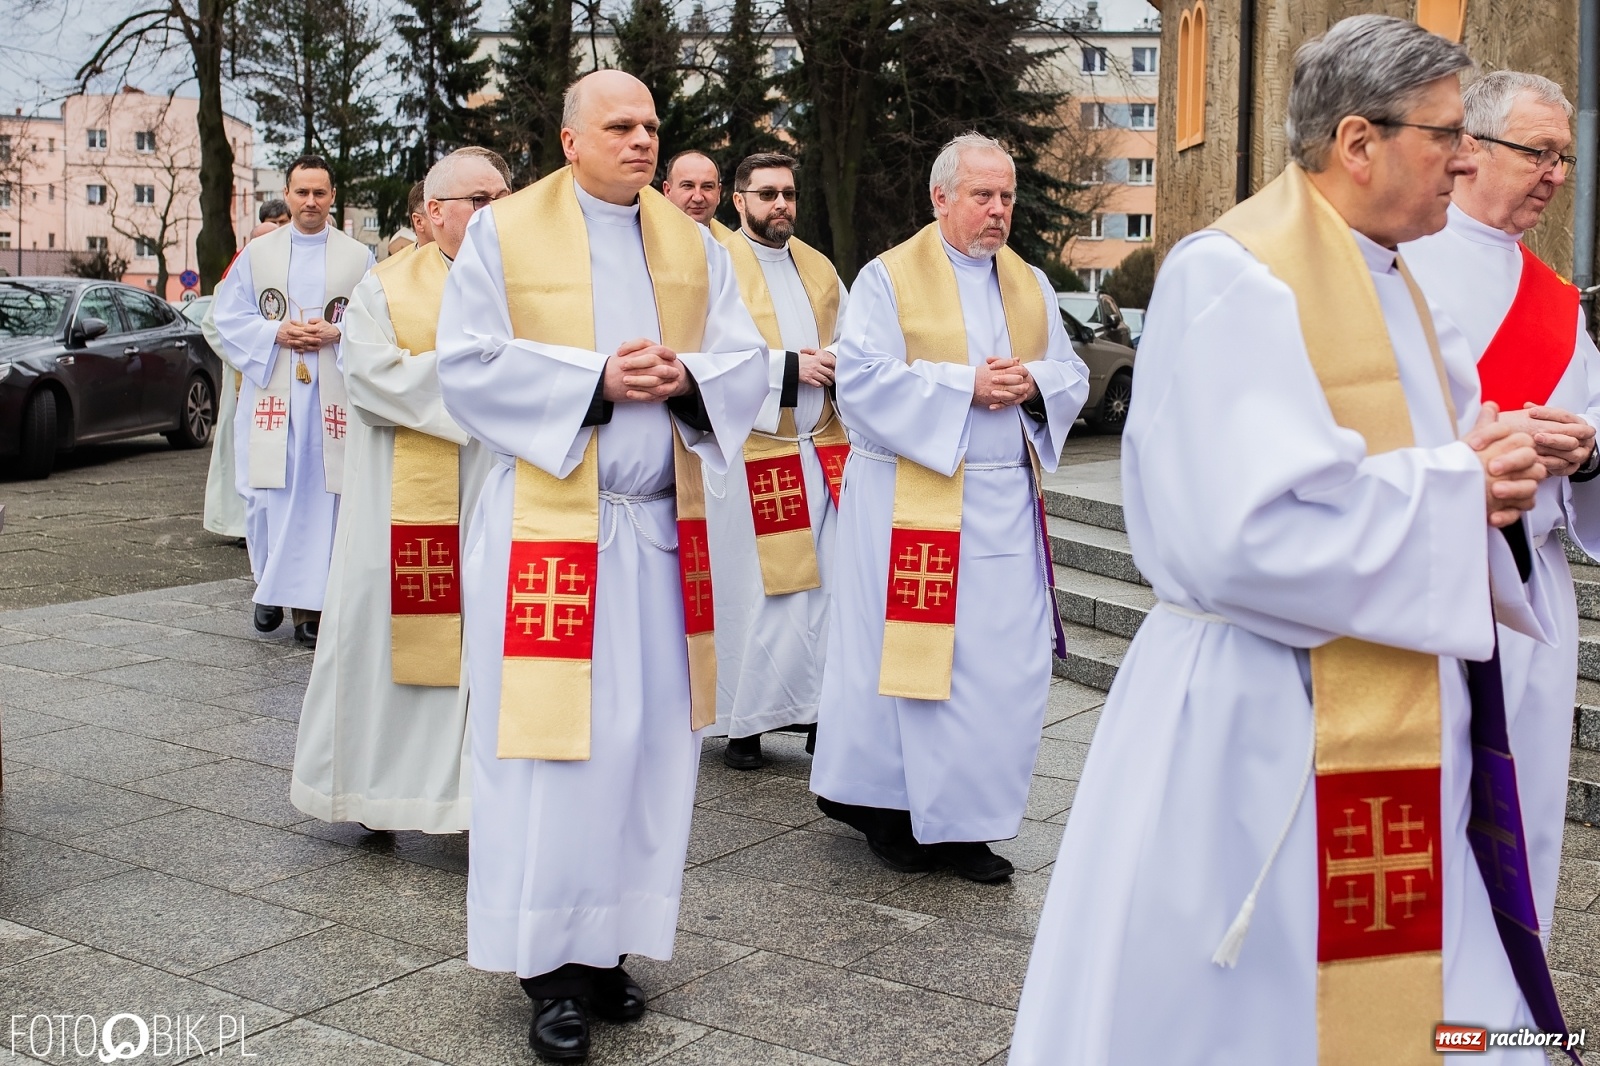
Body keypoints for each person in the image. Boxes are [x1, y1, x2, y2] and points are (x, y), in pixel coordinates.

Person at [1010, 18, 1562, 1065]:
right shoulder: (1236, 276)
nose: (1465, 157)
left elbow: (1406, 458)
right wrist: (1458, 484)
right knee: (1257, 1003)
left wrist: (1487, 454)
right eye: (1447, 134)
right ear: (1359, 142)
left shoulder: (1395, 274)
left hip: (1386, 694)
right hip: (1261, 719)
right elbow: (1237, 534)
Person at [435, 70, 768, 1063]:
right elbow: (466, 363)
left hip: (656, 534)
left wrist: (687, 375)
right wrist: (594, 378)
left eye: (652, 127)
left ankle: (609, 943)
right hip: (551, 528)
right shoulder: (506, 232)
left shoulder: (692, 241)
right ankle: (548, 970)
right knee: (555, 754)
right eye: (620, 126)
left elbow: (747, 358)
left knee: (642, 744)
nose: (642, 142)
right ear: (571, 140)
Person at [808, 132, 1089, 883]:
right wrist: (965, 384)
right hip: (910, 502)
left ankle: (966, 823)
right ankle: (896, 813)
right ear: (941, 198)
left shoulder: (1028, 281)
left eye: (1006, 196)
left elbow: (1071, 373)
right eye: (982, 196)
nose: (998, 211)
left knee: (1001, 668)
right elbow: (859, 381)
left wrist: (1033, 383)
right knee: (916, 667)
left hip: (1002, 503)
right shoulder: (888, 277)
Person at [1403, 70, 1600, 946]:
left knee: (1523, 818)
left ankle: (1501, 1015)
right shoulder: (1398, 266)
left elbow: (1593, 421)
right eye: (1538, 152)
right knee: (1425, 814)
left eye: (1565, 156)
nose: (1556, 174)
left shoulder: (1558, 302)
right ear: (1470, 146)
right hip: (1420, 580)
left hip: (1532, 591)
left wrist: (1589, 453)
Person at [291, 148, 509, 833]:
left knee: (484, 651)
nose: (496, 210)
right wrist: (486, 383)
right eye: (480, 199)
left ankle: (473, 803)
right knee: (387, 653)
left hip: (492, 496)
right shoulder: (385, 287)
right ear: (436, 213)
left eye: (504, 196)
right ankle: (374, 796)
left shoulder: (526, 285)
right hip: (400, 508)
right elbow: (371, 379)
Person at [701, 152, 849, 769]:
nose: (780, 205)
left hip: (821, 446)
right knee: (759, 595)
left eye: (788, 193)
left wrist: (839, 360)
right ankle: (744, 724)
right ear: (739, 202)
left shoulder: (818, 267)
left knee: (826, 594)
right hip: (752, 453)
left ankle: (817, 712)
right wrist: (789, 366)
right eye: (766, 195)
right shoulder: (715, 263)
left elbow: (851, 335)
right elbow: (706, 353)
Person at [211, 154, 374, 647]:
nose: (310, 202)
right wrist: (274, 332)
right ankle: (268, 587)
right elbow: (226, 317)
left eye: (319, 193)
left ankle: (311, 610)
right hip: (273, 392)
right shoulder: (258, 255)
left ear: (333, 197)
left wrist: (338, 331)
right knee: (266, 495)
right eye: (301, 192)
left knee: (324, 498)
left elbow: (375, 321)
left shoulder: (358, 257)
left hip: (331, 396)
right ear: (287, 193)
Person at [203, 218, 287, 541]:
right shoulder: (235, 277)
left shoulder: (280, 274)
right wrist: (250, 354)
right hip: (248, 377)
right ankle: (238, 525)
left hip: (278, 375)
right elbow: (214, 325)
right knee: (242, 454)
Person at [660, 149, 726, 232]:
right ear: (668, 191)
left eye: (707, 187)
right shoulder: (646, 240)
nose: (698, 198)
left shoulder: (730, 243)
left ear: (718, 193)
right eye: (688, 186)